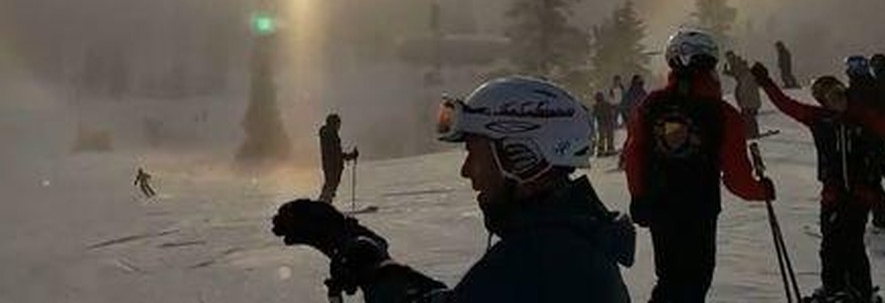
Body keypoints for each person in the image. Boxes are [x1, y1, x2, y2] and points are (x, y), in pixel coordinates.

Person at [272, 76, 634, 301]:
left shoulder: (543, 261)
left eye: (474, 154)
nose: (466, 171)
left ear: (520, 158)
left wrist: (365, 258)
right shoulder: (563, 244)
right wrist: (371, 259)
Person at [623, 28, 773, 303]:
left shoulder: (652, 104)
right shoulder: (722, 113)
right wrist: (760, 190)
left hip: (660, 205)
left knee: (669, 279)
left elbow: (634, 153)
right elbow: (736, 177)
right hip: (698, 209)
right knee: (693, 282)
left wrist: (639, 196)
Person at [751, 65, 885, 302]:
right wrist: (766, 82)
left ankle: (860, 290)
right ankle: (833, 288)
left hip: (861, 190)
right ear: (822, 100)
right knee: (830, 242)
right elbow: (786, 105)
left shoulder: (865, 116)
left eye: (839, 92)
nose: (837, 99)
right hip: (832, 192)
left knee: (851, 241)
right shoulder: (819, 119)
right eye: (829, 96)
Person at [845, 55, 885, 233]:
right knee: (870, 183)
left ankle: (881, 222)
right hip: (875, 142)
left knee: (870, 183)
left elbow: (860, 115)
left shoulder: (860, 88)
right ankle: (879, 220)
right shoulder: (869, 85)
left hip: (870, 144)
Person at [318, 113, 358, 205]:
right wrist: (350, 156)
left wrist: (350, 156)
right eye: (338, 124)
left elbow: (336, 153)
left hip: (332, 165)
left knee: (330, 187)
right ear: (333, 123)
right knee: (330, 186)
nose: (339, 126)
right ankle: (323, 207)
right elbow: (335, 153)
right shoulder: (330, 135)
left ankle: (323, 206)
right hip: (332, 166)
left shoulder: (329, 134)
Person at [723, 51, 763, 137]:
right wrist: (727, 72)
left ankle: (751, 132)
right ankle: (752, 132)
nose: (728, 59)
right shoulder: (736, 63)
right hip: (745, 86)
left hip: (746, 87)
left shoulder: (737, 63)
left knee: (747, 112)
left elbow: (739, 72)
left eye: (729, 57)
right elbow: (737, 73)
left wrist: (728, 72)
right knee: (747, 113)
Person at [593, 92, 619, 157]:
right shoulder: (606, 104)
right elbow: (612, 110)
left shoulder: (595, 106)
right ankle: (609, 150)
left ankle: (601, 151)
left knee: (602, 138)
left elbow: (593, 115)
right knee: (609, 137)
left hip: (601, 124)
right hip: (608, 123)